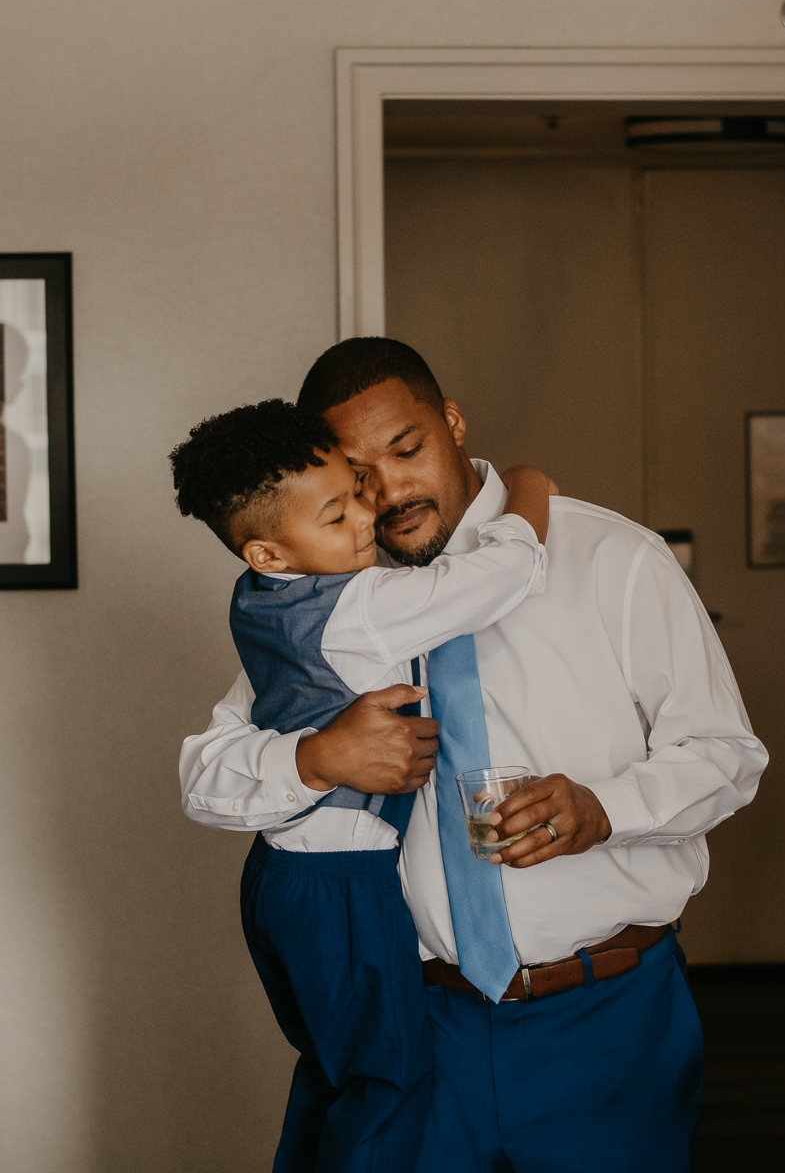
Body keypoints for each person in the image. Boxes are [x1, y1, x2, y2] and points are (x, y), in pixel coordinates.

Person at [180, 338, 768, 1173]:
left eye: (407, 449)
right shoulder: (330, 605)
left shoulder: (614, 560)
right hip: (420, 1030)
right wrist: (317, 758)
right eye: (357, 474)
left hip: (607, 1023)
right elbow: (206, 778)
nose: (385, 491)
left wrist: (604, 810)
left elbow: (726, 755)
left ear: (452, 423)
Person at [170, 395, 551, 1173]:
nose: (365, 522)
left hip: (281, 881)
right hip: (342, 888)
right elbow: (505, 573)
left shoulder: (264, 603)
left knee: (339, 1078)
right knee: (390, 1082)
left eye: (355, 497)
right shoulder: (362, 605)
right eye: (337, 514)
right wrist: (529, 487)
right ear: (268, 553)